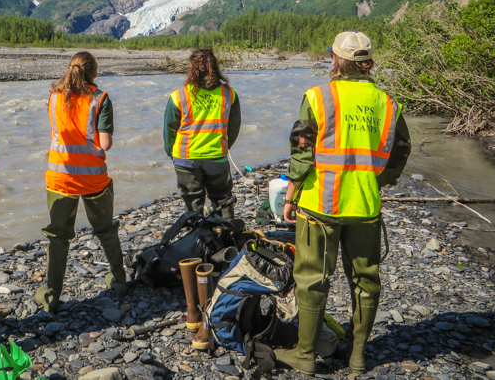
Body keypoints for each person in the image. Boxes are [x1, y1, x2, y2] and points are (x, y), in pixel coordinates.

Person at [274, 31, 411, 375]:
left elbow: (302, 151)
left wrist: (290, 193)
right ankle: (358, 357)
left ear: (335, 59)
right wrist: (375, 180)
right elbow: (401, 152)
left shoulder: (318, 96)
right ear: (367, 63)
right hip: (365, 207)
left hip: (320, 205)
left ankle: (305, 355)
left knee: (311, 279)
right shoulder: (388, 102)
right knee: (366, 281)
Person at [36, 51, 127, 313]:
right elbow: (105, 144)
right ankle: (120, 282)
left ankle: (52, 296)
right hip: (93, 179)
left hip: (60, 177)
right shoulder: (100, 99)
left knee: (58, 237)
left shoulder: (54, 96)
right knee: (106, 231)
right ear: (94, 73)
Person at [164, 49, 241, 218]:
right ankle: (226, 238)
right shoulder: (229, 94)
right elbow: (234, 127)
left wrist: (170, 151)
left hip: (186, 158)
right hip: (216, 156)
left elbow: (169, 128)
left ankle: (195, 238)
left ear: (192, 68)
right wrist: (225, 147)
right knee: (222, 199)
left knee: (192, 202)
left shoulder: (179, 95)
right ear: (215, 66)